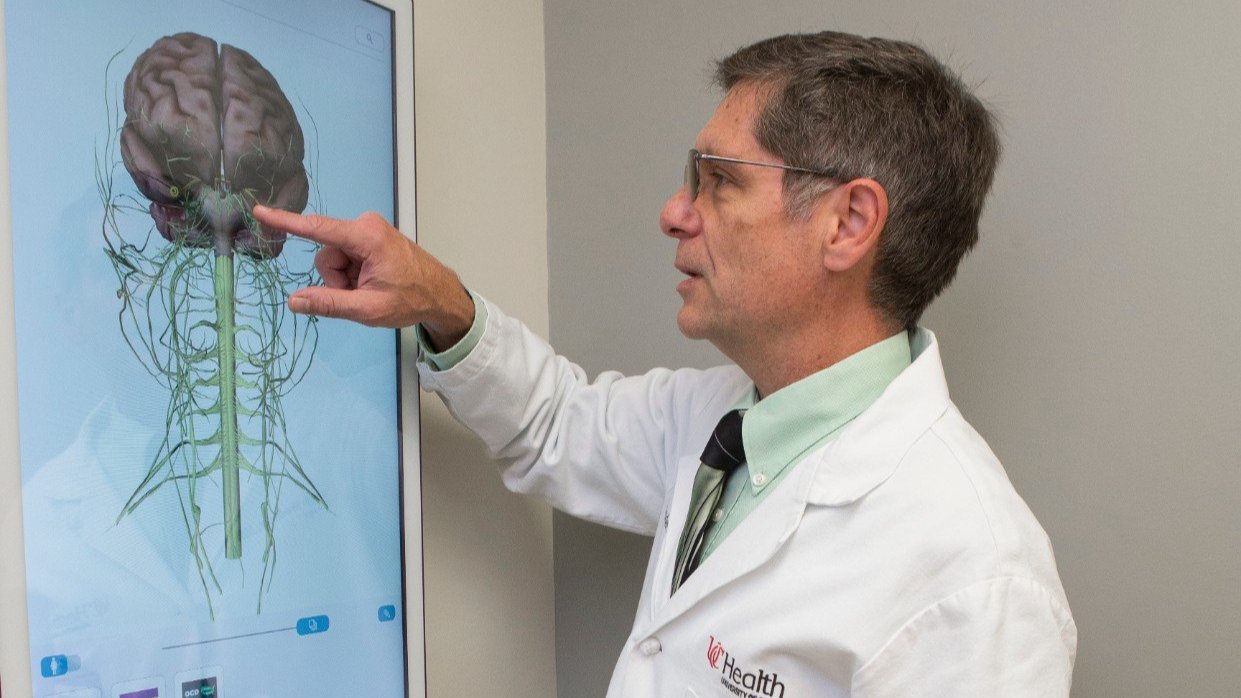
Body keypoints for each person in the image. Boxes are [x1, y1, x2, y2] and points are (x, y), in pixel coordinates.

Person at [253, 30, 1076, 697]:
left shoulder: (974, 581)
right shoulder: (725, 424)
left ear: (848, 223)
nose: (673, 213)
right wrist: (439, 300)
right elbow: (556, 424)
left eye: (717, 181)